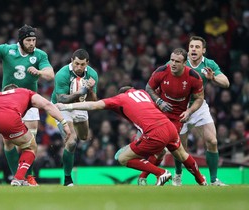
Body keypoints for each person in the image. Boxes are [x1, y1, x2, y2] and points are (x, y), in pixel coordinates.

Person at [56, 86, 207, 186]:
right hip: (169, 126)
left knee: (122, 158)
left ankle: (161, 173)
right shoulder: (143, 93)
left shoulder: (120, 98)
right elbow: (146, 115)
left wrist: (67, 106)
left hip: (155, 132)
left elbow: (93, 105)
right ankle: (201, 180)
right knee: (182, 155)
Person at [0, 25, 54, 186]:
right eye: (28, 40)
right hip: (7, 104)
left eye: (34, 40)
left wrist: (40, 72)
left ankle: (29, 176)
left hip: (29, 103)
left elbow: (50, 74)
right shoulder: (8, 50)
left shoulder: (40, 55)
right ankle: (16, 176)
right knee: (8, 143)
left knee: (30, 143)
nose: (32, 43)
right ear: (20, 41)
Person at [137, 48, 204, 185]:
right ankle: (200, 179)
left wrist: (189, 111)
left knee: (166, 149)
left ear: (185, 63)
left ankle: (144, 177)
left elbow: (199, 99)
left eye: (177, 61)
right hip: (159, 114)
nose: (173, 64)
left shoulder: (193, 77)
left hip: (177, 117)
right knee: (165, 150)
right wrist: (159, 101)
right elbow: (148, 88)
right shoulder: (162, 71)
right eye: (172, 60)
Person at [174, 36, 230, 186]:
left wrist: (213, 78)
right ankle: (178, 176)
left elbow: (226, 82)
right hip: (179, 107)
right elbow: (162, 75)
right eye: (191, 46)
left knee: (212, 141)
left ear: (203, 50)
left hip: (198, 106)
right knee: (180, 147)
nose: (193, 49)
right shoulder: (180, 61)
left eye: (197, 47)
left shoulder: (209, 64)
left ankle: (213, 180)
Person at [50, 49, 98, 186]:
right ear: (72, 61)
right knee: (72, 142)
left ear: (87, 63)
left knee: (84, 137)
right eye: (76, 63)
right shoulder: (62, 74)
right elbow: (62, 98)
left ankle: (66, 155)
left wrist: (90, 90)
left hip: (80, 106)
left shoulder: (92, 75)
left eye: (82, 64)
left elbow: (93, 102)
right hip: (61, 107)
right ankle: (67, 179)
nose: (79, 67)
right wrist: (79, 92)